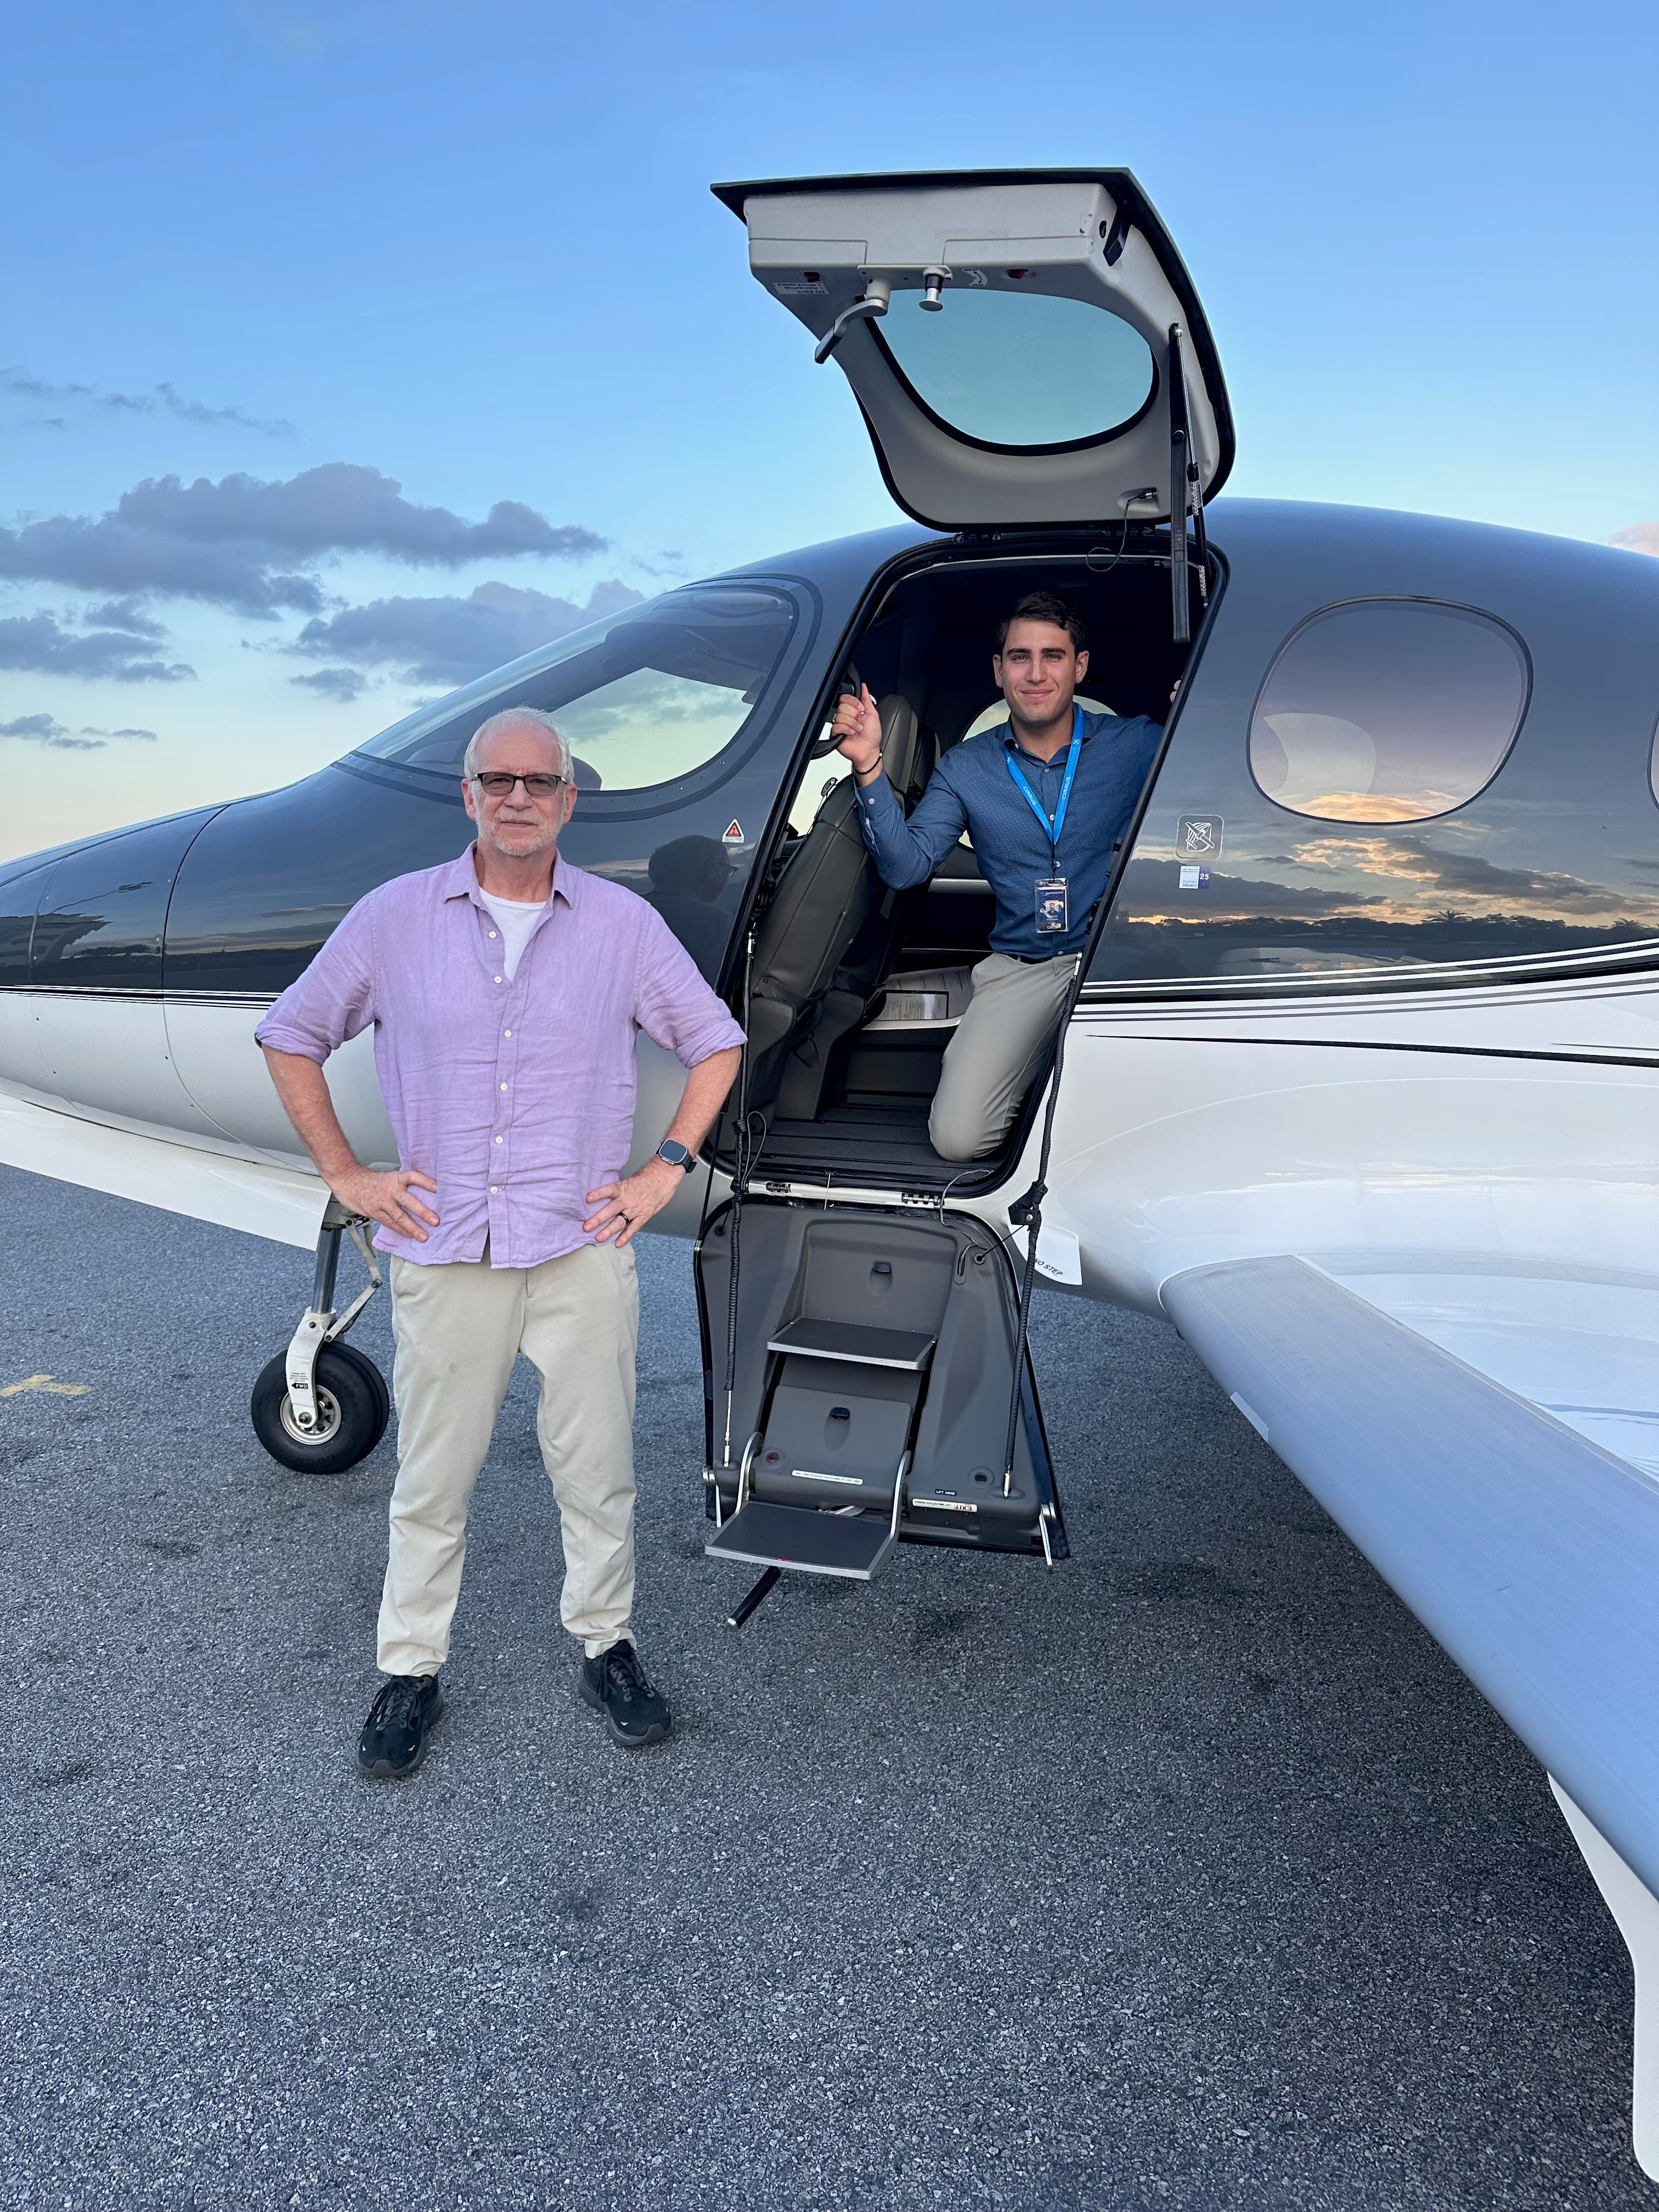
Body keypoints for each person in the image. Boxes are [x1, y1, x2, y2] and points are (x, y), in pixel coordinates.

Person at [255, 707, 744, 1778]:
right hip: (445, 1253)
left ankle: (606, 1648)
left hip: (578, 1249)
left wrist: (664, 1168)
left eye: (539, 780)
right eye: (498, 779)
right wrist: (346, 1174)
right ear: (468, 795)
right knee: (433, 1479)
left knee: (599, 1473)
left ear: (568, 801)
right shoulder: (393, 920)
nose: (518, 795)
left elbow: (715, 1043)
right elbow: (292, 1033)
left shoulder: (619, 927)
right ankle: (411, 1671)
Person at [833, 591, 1162, 1161]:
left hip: (1122, 964)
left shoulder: (1139, 744)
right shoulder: (966, 767)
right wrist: (869, 765)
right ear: (998, 669)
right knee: (958, 1139)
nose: (1036, 674)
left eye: (1053, 656)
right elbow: (906, 868)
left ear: (1079, 666)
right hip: (1024, 967)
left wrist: (1207, 718)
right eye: (1019, 657)